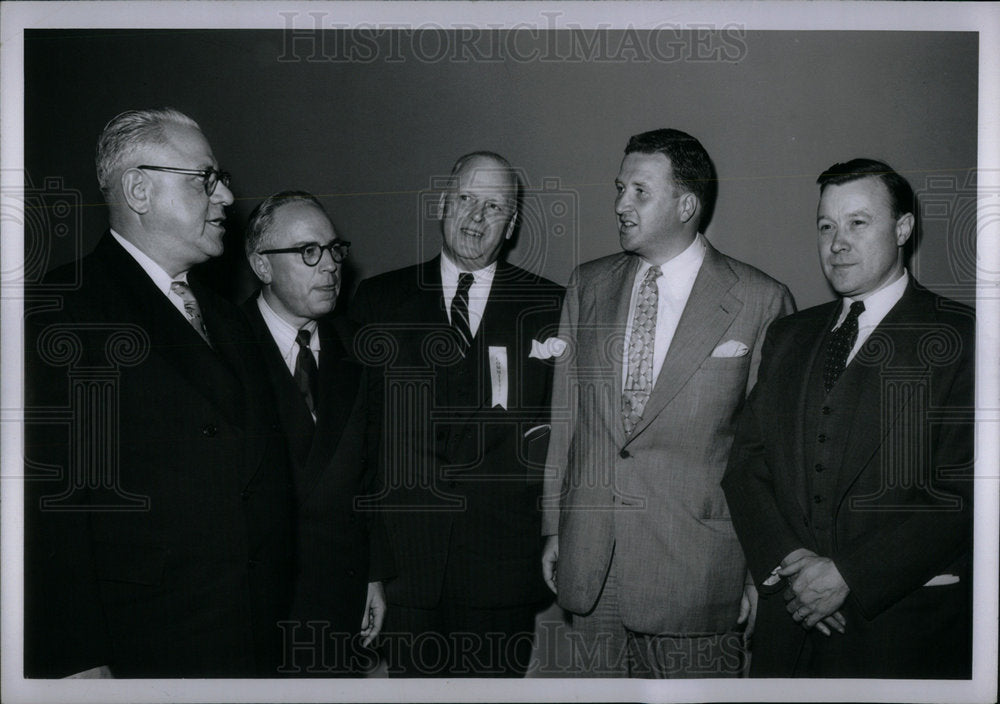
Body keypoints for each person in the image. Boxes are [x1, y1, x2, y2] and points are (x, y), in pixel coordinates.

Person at [23, 108, 294, 677]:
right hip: (143, 646)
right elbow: (47, 505)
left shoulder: (228, 318)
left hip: (250, 633)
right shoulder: (62, 310)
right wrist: (75, 658)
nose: (224, 197)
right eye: (205, 178)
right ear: (139, 189)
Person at [541, 128, 795, 677]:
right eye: (619, 188)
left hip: (700, 574)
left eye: (639, 190)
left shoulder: (759, 299)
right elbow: (568, 420)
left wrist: (758, 572)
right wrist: (554, 527)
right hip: (591, 568)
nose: (620, 204)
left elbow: (768, 455)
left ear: (686, 205)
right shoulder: (587, 285)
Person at [721, 158, 973, 678]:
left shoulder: (963, 336)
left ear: (902, 228)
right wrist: (791, 565)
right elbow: (747, 464)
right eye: (826, 226)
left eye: (858, 222)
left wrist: (849, 574)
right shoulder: (790, 336)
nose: (837, 242)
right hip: (788, 625)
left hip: (897, 628)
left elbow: (967, 490)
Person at [350, 152, 564, 677]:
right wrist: (369, 565)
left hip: (501, 571)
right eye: (466, 199)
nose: (476, 217)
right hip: (403, 572)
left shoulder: (550, 306)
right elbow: (358, 444)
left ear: (511, 225)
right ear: (443, 204)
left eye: (495, 206)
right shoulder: (379, 300)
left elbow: (565, 439)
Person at [242, 191, 391, 676]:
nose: (329, 266)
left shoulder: (359, 347)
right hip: (255, 609)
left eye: (334, 250)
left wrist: (373, 577)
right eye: (309, 252)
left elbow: (371, 477)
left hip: (339, 601)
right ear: (262, 265)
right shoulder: (222, 346)